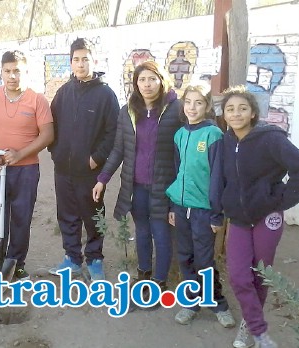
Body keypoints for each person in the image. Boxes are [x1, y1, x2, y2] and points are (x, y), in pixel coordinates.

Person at [220, 86, 299, 348]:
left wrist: (280, 200)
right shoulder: (226, 141)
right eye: (230, 109)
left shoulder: (271, 139)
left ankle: (252, 329)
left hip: (267, 218)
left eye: (242, 108)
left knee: (260, 275)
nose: (236, 113)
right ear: (224, 114)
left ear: (253, 113)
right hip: (239, 219)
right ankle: (257, 326)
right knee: (239, 276)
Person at [92, 61, 181, 292]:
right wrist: (102, 178)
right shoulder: (128, 111)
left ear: (162, 81)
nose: (147, 84)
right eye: (142, 79)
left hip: (165, 186)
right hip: (136, 186)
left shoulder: (176, 110)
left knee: (161, 233)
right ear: (136, 84)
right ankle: (143, 275)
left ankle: (160, 282)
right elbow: (119, 149)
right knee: (141, 231)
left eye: (152, 78)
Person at [48, 38, 119, 281]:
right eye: (76, 59)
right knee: (67, 216)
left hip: (90, 172)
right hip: (63, 170)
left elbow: (113, 133)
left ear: (94, 60)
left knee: (93, 215)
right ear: (70, 62)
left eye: (85, 59)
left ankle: (95, 259)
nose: (80, 64)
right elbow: (52, 125)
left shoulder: (106, 95)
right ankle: (72, 259)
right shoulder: (63, 93)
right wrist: (55, 153)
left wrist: (96, 158)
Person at [164, 82, 235, 327]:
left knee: (204, 260)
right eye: (189, 102)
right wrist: (174, 206)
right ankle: (191, 302)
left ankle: (218, 303)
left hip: (204, 210)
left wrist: (217, 215)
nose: (192, 108)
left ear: (207, 107)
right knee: (185, 256)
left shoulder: (213, 134)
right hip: (182, 208)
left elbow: (218, 177)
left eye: (199, 103)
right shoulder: (180, 134)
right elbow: (178, 172)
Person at [0, 50, 54, 281]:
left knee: (21, 218)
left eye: (17, 71)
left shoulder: (37, 100)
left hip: (26, 169)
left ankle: (17, 264)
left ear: (25, 72)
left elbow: (47, 135)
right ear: (1, 73)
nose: (12, 76)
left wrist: (21, 154)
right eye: (7, 71)